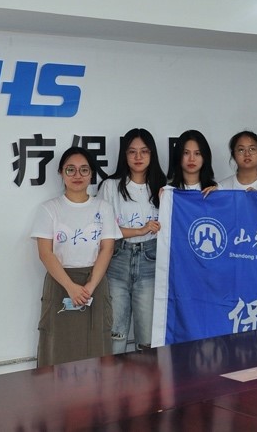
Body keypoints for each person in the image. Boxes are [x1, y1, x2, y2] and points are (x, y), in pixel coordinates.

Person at [31, 146, 122, 366]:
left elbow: (107, 249)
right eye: (70, 169)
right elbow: (45, 253)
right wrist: (71, 287)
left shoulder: (103, 207)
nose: (77, 175)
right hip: (60, 282)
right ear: (61, 173)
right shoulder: (49, 208)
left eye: (84, 169)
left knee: (96, 345)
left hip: (94, 282)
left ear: (92, 174)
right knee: (58, 347)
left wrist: (89, 286)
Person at [99, 128, 165, 354]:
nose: (138, 157)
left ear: (152, 154)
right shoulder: (110, 186)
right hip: (117, 258)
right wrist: (141, 230)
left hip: (151, 260)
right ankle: (112, 377)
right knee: (115, 333)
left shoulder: (163, 187)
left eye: (144, 151)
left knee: (147, 338)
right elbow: (104, 229)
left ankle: (147, 378)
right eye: (132, 151)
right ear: (124, 155)